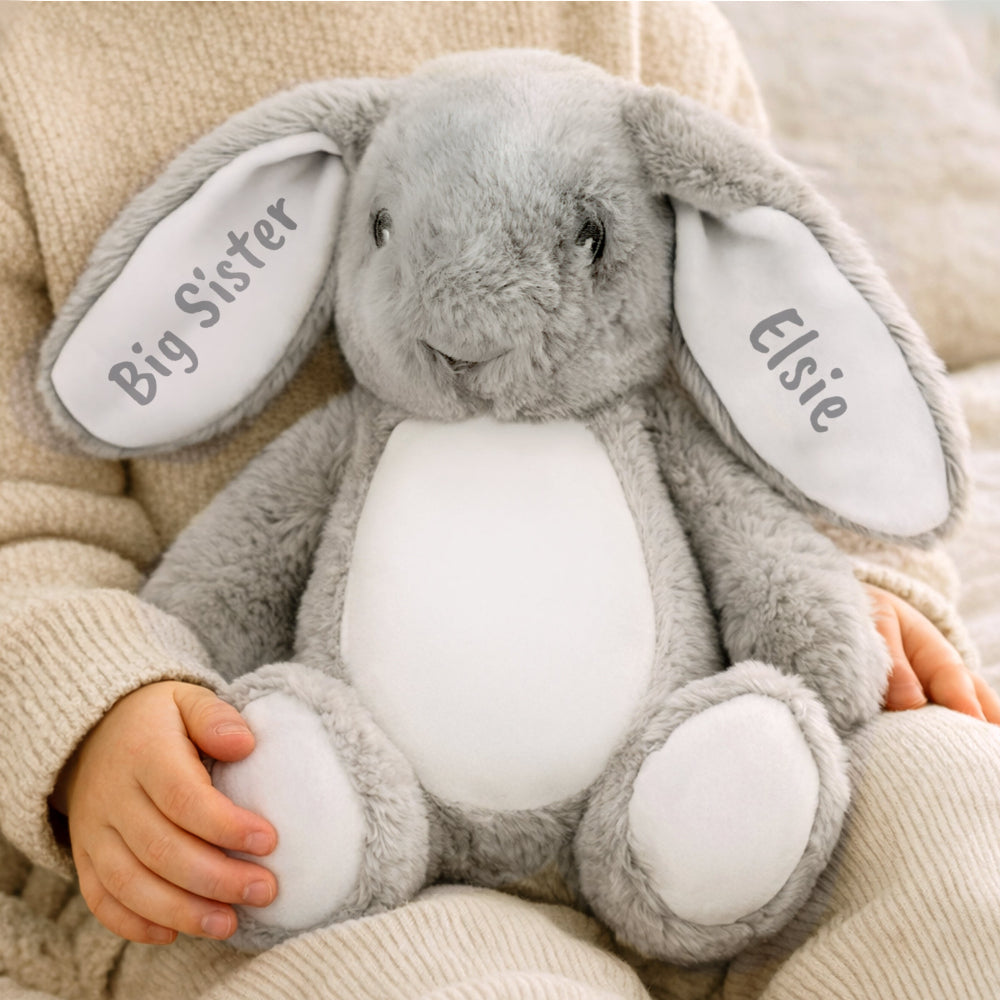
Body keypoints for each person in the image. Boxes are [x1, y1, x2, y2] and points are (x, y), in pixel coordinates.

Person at [2, 4, 999, 999]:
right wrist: (98, 704)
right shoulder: (27, 69)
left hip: (720, 754)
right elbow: (21, 517)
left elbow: (782, 333)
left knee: (957, 816)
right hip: (316, 831)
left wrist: (859, 577)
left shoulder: (636, 18)